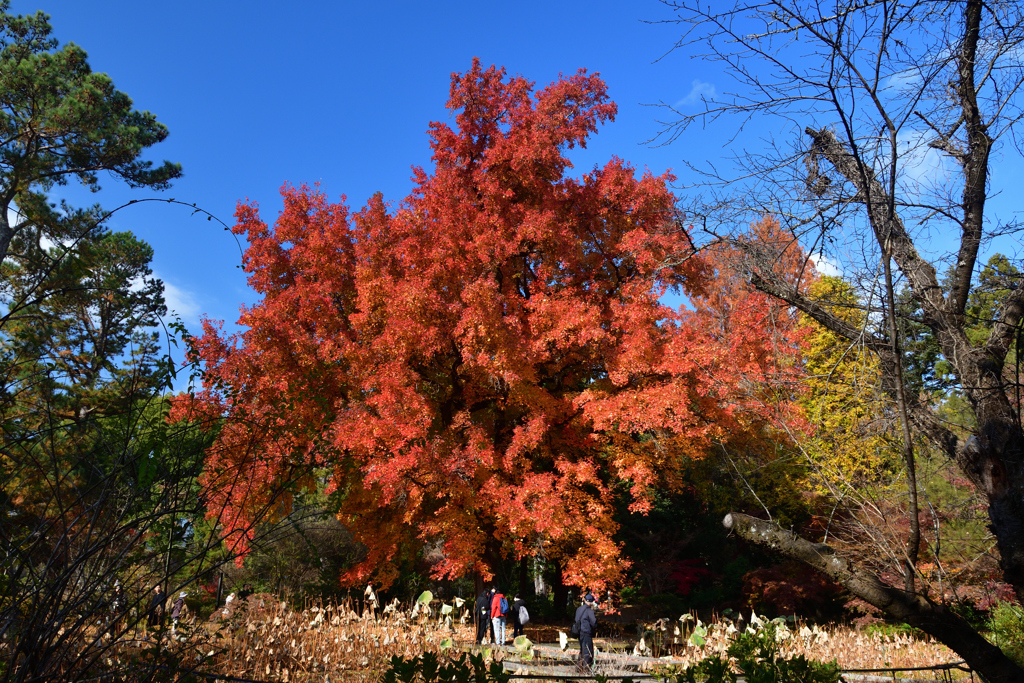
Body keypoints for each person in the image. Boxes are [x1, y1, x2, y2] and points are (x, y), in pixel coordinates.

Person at [573, 593, 598, 672]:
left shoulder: (579, 609)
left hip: (579, 633)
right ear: (591, 602)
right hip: (586, 633)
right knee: (588, 650)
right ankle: (586, 669)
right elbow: (594, 623)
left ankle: (579, 668)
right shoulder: (589, 611)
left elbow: (576, 619)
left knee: (582, 649)